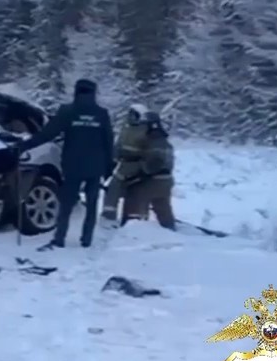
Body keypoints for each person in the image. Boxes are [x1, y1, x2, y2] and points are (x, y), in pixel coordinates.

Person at [11, 78, 113, 250]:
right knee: (92, 203)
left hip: (73, 165)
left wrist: (24, 146)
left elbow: (48, 134)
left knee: (66, 203)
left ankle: (60, 238)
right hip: (96, 166)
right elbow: (109, 141)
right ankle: (86, 240)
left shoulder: (68, 111)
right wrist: (109, 167)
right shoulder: (101, 113)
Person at [124, 111, 177, 230]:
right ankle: (169, 227)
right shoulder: (165, 141)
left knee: (135, 198)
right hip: (166, 181)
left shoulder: (151, 141)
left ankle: (135, 227)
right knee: (163, 207)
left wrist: (137, 173)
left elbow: (153, 164)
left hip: (152, 181)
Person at [101, 105, 150, 224]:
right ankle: (108, 217)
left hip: (138, 166)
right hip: (123, 165)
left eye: (134, 115)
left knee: (136, 194)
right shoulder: (126, 128)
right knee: (113, 189)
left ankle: (134, 221)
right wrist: (111, 163)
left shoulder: (147, 130)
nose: (130, 117)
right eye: (130, 114)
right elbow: (118, 146)